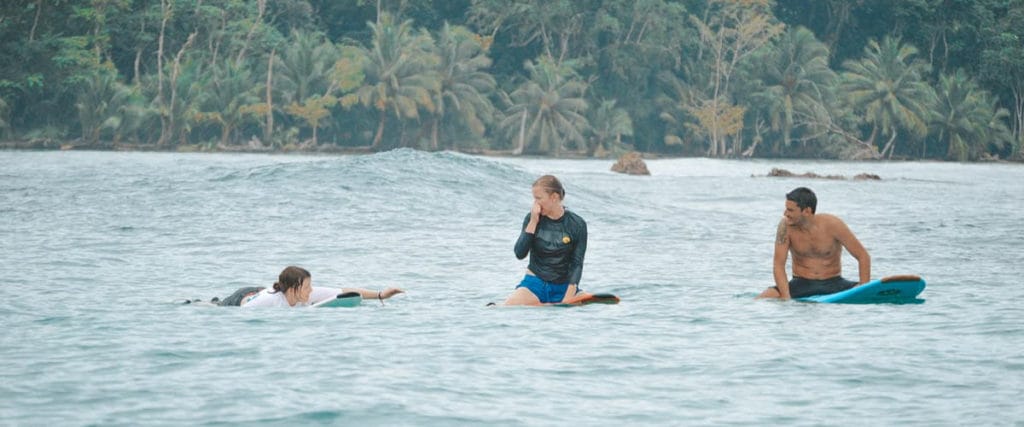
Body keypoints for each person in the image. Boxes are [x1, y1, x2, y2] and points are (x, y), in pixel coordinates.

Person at [759, 187, 871, 299]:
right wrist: (786, 297)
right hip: (801, 283)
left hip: (834, 283)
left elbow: (863, 256)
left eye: (790, 210)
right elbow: (778, 265)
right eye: (786, 209)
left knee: (866, 286)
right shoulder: (785, 227)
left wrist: (864, 291)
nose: (785, 214)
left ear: (807, 211)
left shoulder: (833, 225)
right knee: (764, 297)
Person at [504, 175, 588, 305]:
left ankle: (545, 304)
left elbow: (577, 264)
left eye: (538, 198)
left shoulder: (577, 224)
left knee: (590, 304)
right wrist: (533, 221)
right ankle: (544, 304)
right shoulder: (531, 219)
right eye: (534, 199)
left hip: (565, 286)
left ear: (554, 197)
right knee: (509, 306)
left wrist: (568, 298)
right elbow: (519, 254)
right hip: (535, 284)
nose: (535, 203)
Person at [242, 266, 404, 307]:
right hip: (244, 297)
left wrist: (381, 295)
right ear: (293, 289)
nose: (311, 290)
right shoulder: (268, 302)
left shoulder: (307, 295)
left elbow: (345, 291)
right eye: (306, 287)